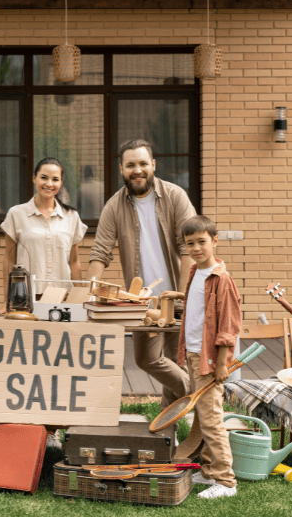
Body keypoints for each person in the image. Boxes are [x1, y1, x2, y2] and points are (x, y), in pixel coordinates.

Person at [87, 139, 195, 409]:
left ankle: (168, 431)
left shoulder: (175, 196)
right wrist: (87, 294)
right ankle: (196, 393)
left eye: (143, 164)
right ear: (122, 168)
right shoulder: (114, 206)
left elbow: (188, 248)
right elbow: (100, 252)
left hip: (177, 296)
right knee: (146, 359)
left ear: (153, 165)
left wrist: (184, 297)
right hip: (141, 302)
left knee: (175, 360)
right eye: (131, 165)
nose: (138, 170)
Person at [160, 215, 240, 499]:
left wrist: (220, 363)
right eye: (190, 243)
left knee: (212, 419)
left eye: (202, 242)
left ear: (215, 241)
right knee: (203, 417)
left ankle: (226, 482)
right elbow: (198, 305)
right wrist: (179, 296)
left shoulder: (222, 279)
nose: (196, 248)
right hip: (194, 353)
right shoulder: (196, 273)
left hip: (208, 360)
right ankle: (208, 472)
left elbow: (228, 326)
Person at [1, 157, 88, 312]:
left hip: (64, 298)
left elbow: (74, 262)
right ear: (34, 178)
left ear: (61, 183)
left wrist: (80, 298)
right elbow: (9, 260)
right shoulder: (16, 214)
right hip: (27, 300)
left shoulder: (72, 216)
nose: (49, 184)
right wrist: (7, 301)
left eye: (55, 179)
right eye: (44, 177)